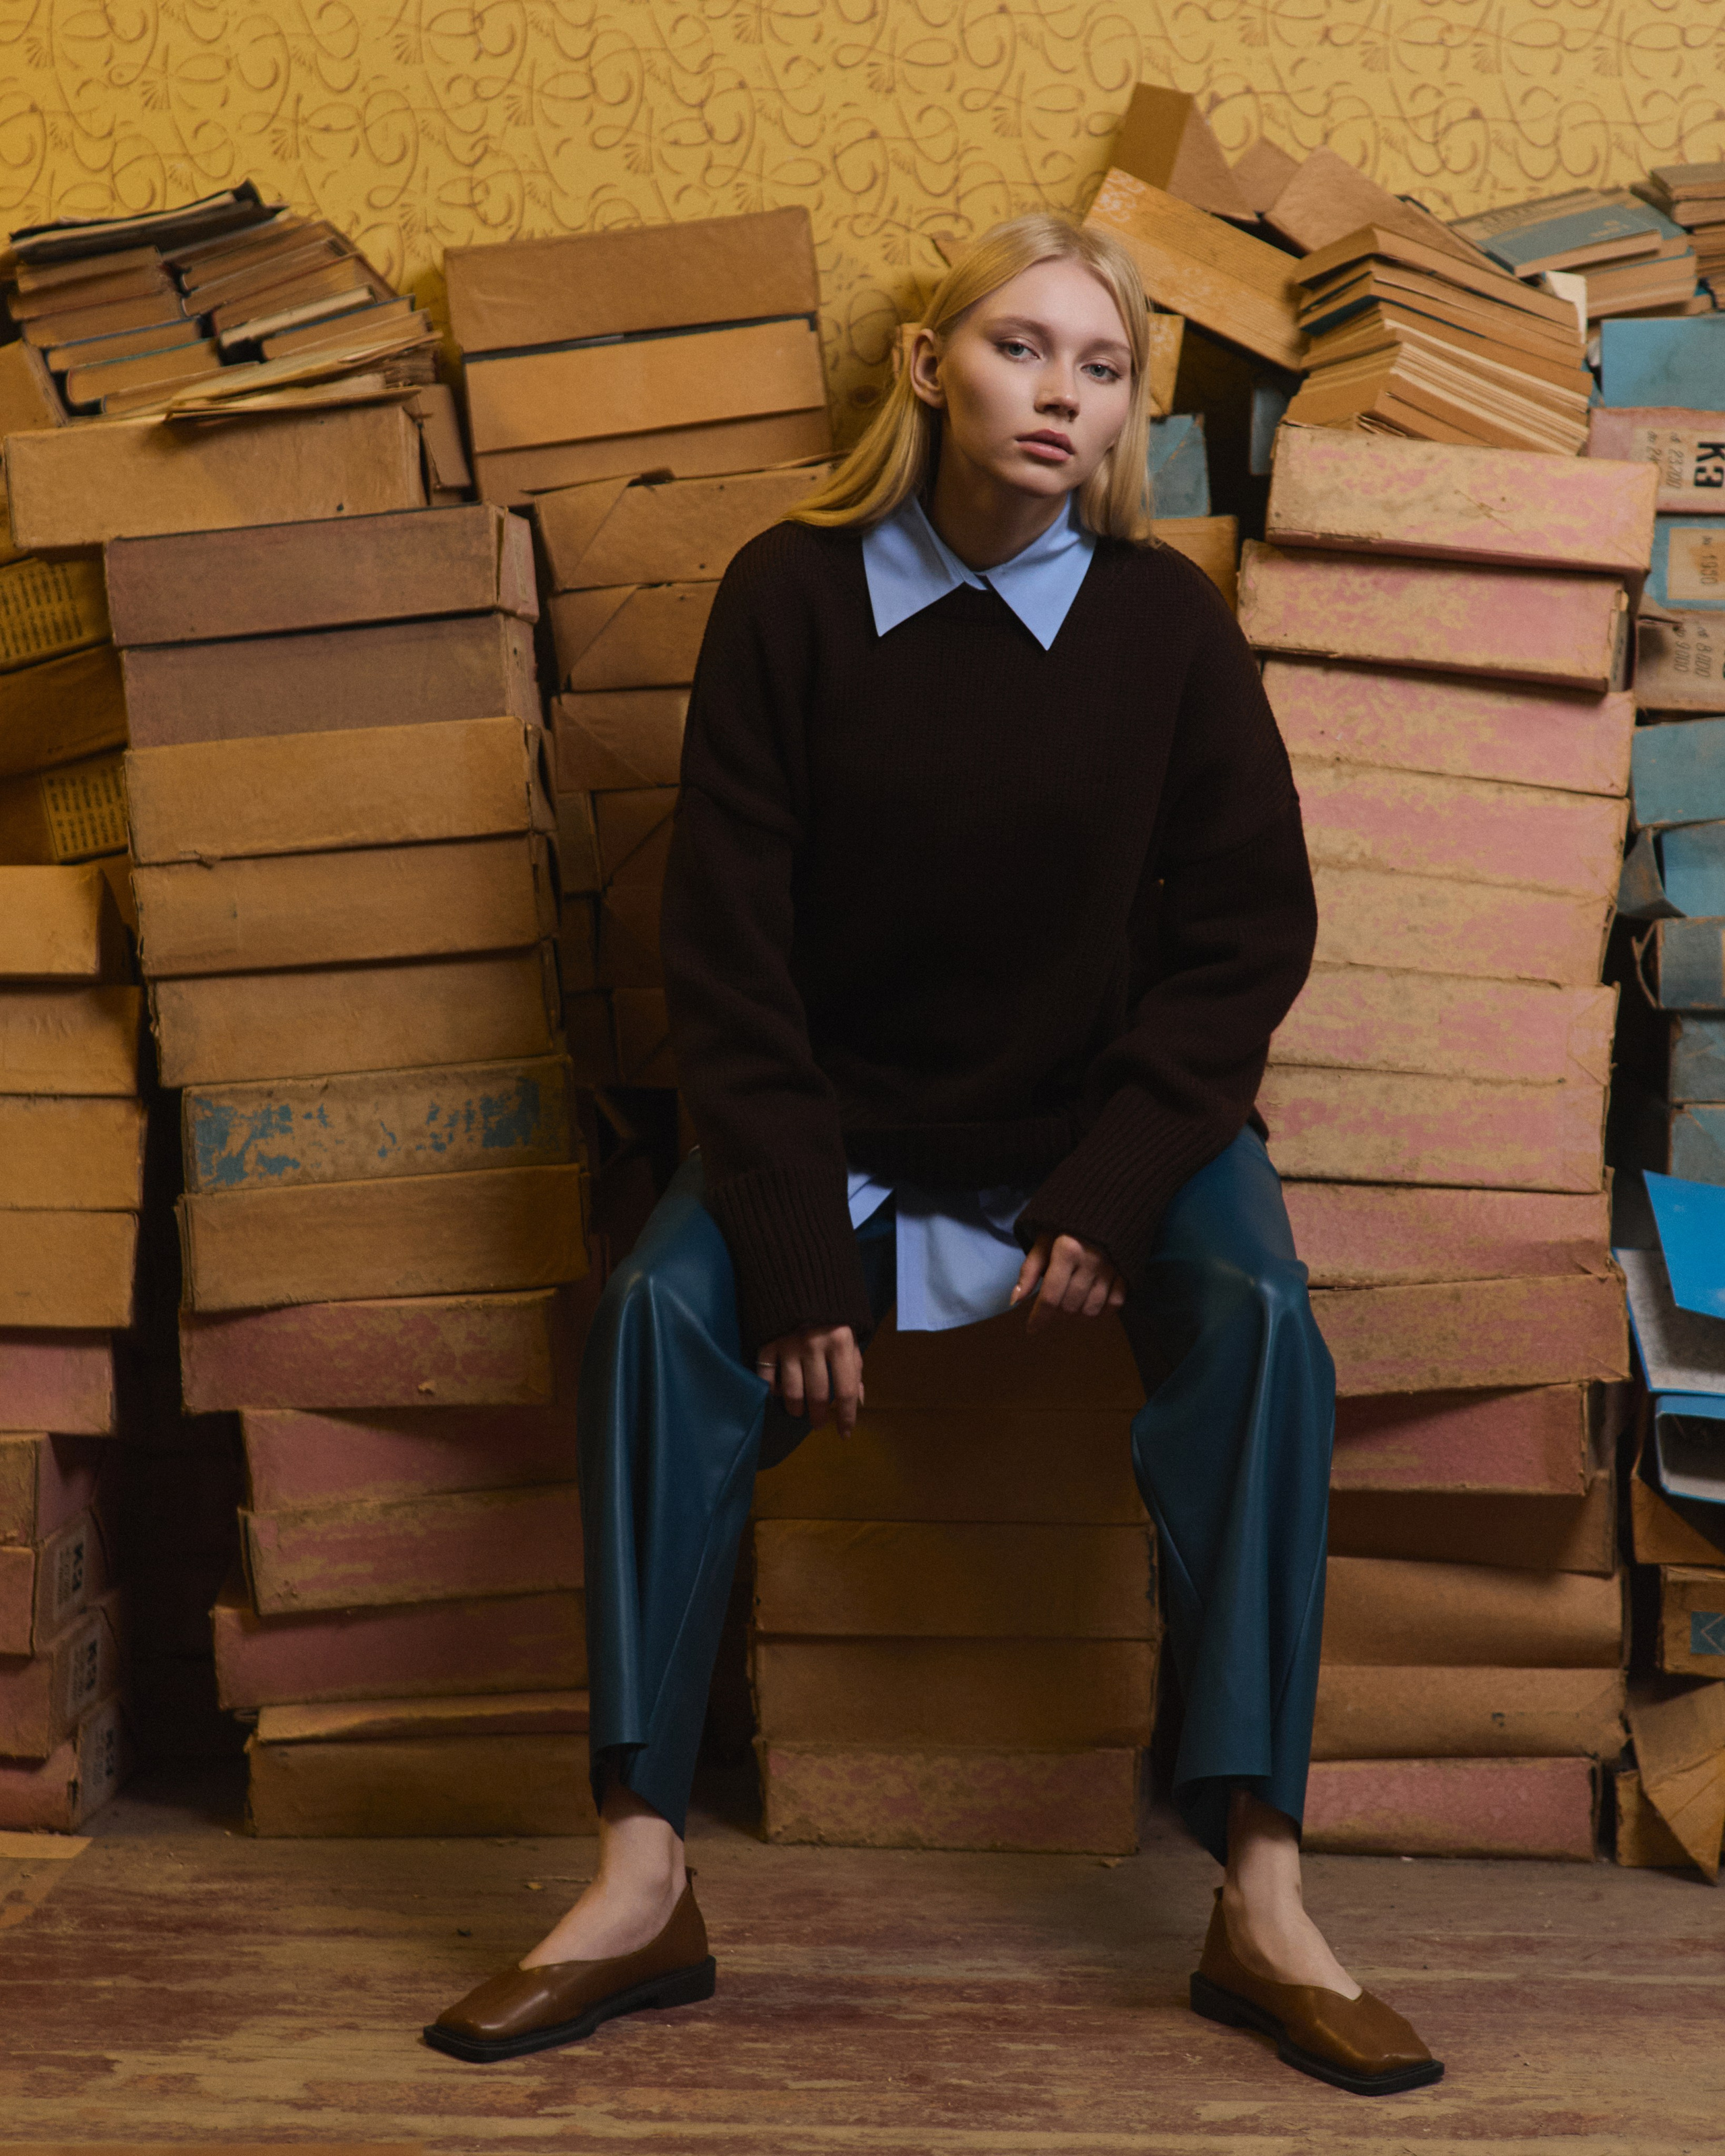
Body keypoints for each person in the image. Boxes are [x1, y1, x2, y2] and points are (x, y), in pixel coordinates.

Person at [427, 212, 1442, 2097]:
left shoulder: (1166, 625)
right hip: (839, 1123)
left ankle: (1264, 1896)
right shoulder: (789, 597)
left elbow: (1247, 940)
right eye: (1019, 347)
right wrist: (795, 1250)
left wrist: (1118, 1188)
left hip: (1100, 1121)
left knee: (1262, 1321)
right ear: (926, 365)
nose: (1061, 393)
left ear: (1126, 414)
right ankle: (641, 1880)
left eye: (1102, 367)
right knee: (653, 1320)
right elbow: (726, 956)